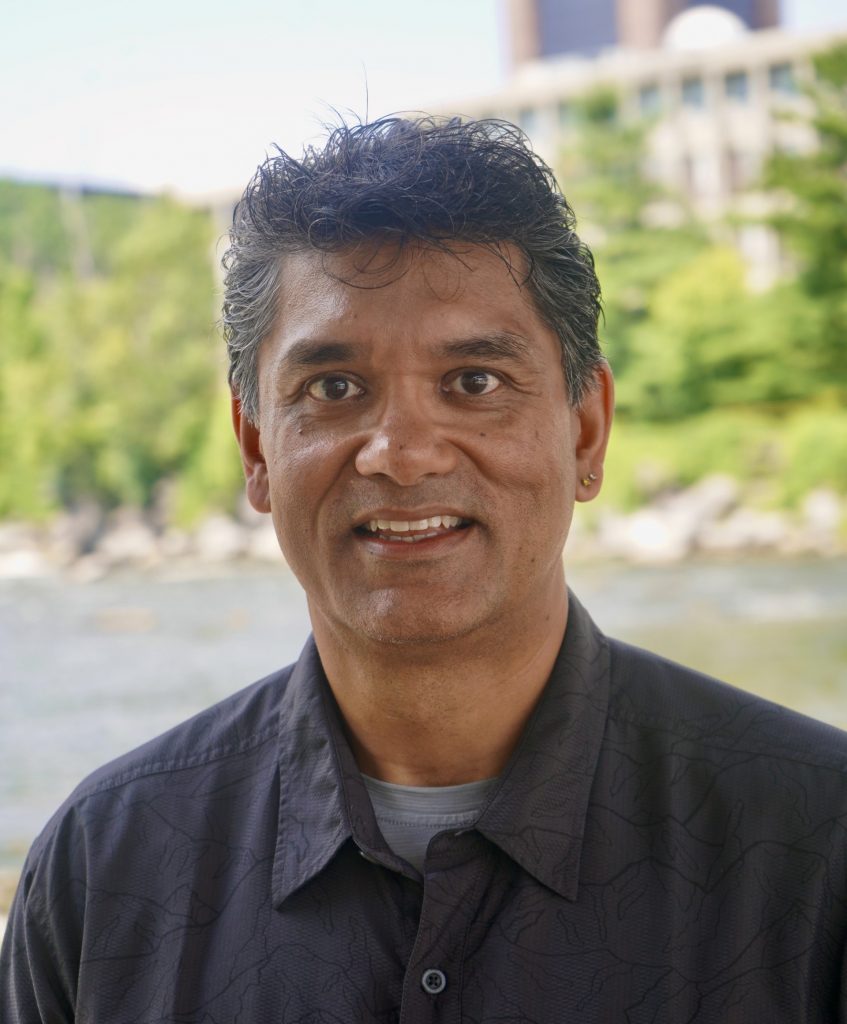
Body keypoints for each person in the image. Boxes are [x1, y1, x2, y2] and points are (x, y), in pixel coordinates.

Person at [2, 116, 846, 1023]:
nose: (401, 454)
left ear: (585, 430)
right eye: (333, 388)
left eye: (473, 382)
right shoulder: (107, 868)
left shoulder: (813, 842)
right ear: (255, 448)